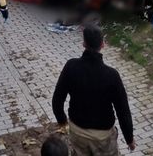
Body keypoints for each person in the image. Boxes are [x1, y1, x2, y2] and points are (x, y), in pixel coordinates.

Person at [52, 25, 136, 156]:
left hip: (77, 132)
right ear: (103, 45)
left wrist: (62, 121)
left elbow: (57, 99)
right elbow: (123, 111)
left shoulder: (71, 66)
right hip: (103, 138)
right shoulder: (112, 75)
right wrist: (129, 139)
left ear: (84, 43)